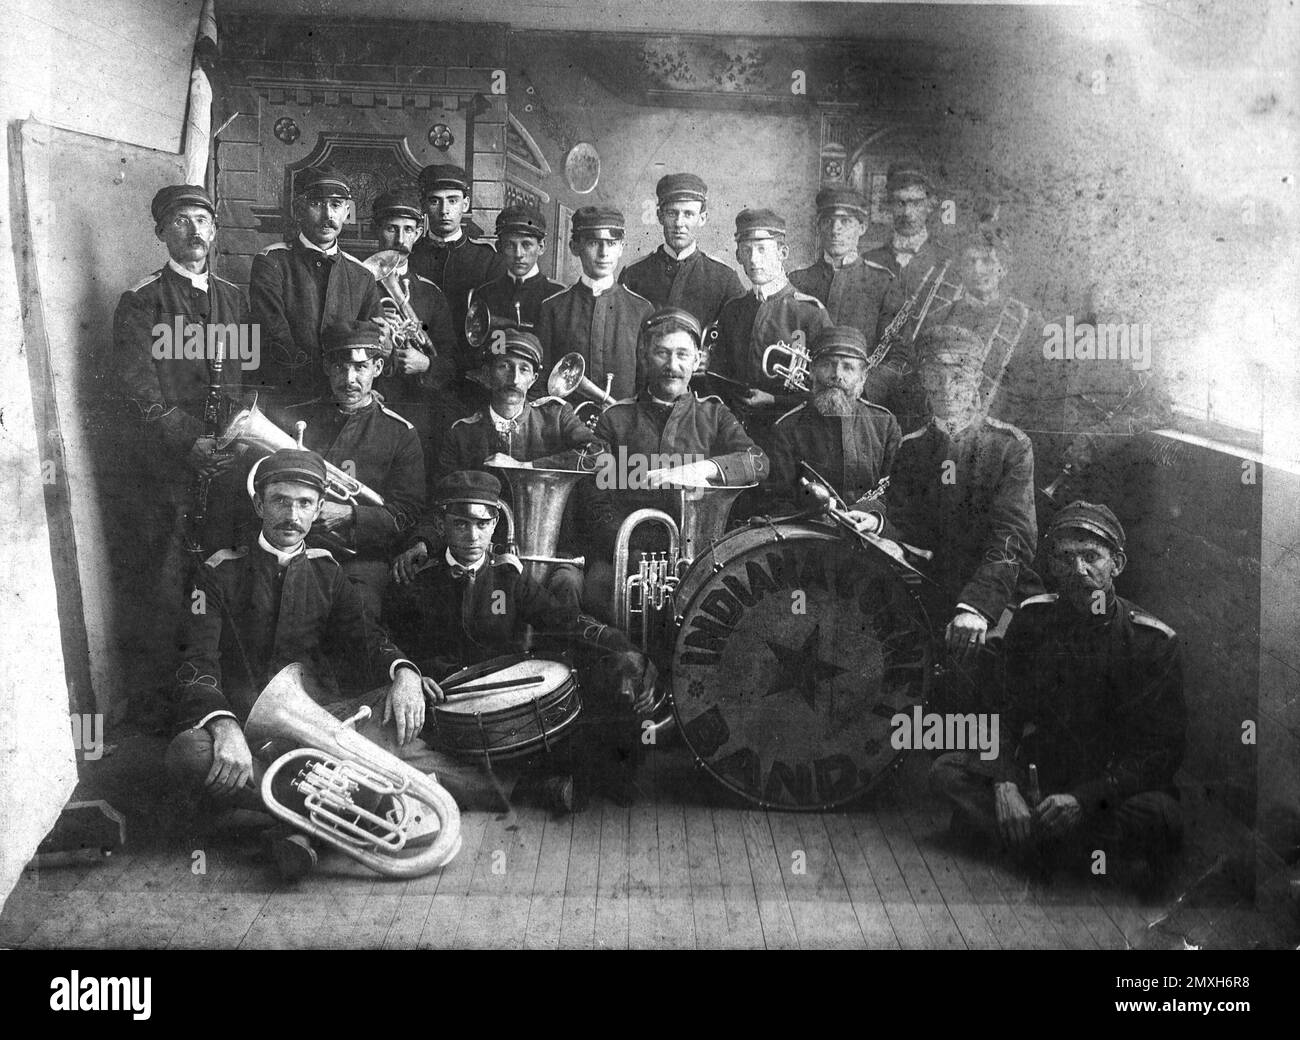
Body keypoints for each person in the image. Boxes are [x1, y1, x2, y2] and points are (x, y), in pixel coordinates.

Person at [164, 448, 453, 878]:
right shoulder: (217, 572)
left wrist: (405, 671)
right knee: (187, 752)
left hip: (318, 719)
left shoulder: (326, 570)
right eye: (280, 500)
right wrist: (223, 726)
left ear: (319, 509)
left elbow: (366, 639)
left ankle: (295, 827)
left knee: (392, 709)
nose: (291, 514)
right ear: (259, 504)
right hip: (244, 729)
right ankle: (335, 816)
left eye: (304, 504)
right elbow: (196, 661)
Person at [930, 501, 1186, 893]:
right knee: (946, 772)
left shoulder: (1152, 643)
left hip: (1104, 791)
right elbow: (1002, 712)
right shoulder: (1033, 621)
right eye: (1066, 558)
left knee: (1164, 816)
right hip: (1042, 778)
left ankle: (1029, 842)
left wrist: (1083, 800)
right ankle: (1059, 846)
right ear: (1051, 564)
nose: (1079, 570)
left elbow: (1158, 755)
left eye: (1091, 557)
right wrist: (1004, 783)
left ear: (1116, 563)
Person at [383, 471, 657, 808]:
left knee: (602, 703)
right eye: (461, 524)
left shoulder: (509, 578)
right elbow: (388, 640)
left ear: (496, 523)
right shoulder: (417, 581)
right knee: (393, 747)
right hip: (445, 712)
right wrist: (411, 673)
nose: (472, 536)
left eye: (482, 525)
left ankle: (503, 782)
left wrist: (624, 647)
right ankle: (526, 787)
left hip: (511, 714)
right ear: (442, 523)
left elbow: (564, 620)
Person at [393, 329, 599, 611]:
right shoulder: (462, 433)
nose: (514, 379)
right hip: (485, 555)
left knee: (568, 585)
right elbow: (440, 503)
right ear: (487, 374)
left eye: (523, 369)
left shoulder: (557, 416)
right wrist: (423, 542)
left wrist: (528, 466)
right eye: (504, 367)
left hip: (553, 555)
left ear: (534, 379)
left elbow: (600, 455)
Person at [584, 307, 770, 618]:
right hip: (626, 559)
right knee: (595, 593)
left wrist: (701, 469)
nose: (672, 366)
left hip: (699, 562)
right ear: (645, 355)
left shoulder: (715, 415)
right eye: (662, 353)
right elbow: (595, 501)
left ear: (697, 360)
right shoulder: (615, 419)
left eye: (683, 355)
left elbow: (758, 462)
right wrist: (631, 557)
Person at [884, 325, 1042, 665]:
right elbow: (902, 521)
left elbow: (1013, 538)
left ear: (977, 382)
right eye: (934, 376)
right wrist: (881, 527)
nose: (946, 388)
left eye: (958, 376)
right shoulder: (911, 448)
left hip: (998, 591)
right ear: (922, 382)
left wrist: (976, 607)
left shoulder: (1010, 447)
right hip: (931, 585)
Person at [279, 320, 426, 615]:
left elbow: (408, 513)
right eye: (339, 367)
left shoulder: (399, 432)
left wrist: (348, 514)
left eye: (360, 367)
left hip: (360, 561)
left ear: (378, 368)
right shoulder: (295, 419)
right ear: (326, 367)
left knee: (356, 614)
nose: (349, 379)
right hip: (294, 548)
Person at [249, 166, 382, 403]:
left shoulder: (362, 274)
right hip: (288, 393)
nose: (327, 215)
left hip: (343, 396)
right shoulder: (272, 262)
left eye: (336, 205)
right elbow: (274, 332)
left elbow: (371, 341)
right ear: (299, 210)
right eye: (317, 204)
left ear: (346, 211)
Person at [712, 208, 830, 446]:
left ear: (782, 252)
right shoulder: (733, 310)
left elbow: (826, 389)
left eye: (763, 249)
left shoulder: (810, 313)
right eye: (747, 250)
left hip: (790, 436)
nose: (754, 259)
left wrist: (775, 401)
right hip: (734, 433)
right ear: (738, 256)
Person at [766, 325, 900, 525]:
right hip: (810, 541)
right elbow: (777, 503)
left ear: (863, 377)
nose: (837, 375)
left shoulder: (885, 425)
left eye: (848, 367)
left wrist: (874, 519)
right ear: (812, 371)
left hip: (871, 539)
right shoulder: (787, 429)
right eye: (828, 364)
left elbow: (897, 495)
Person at [407, 164, 507, 409]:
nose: (444, 210)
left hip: (471, 383)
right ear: (423, 206)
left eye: (452, 200)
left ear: (466, 204)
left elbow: (501, 327)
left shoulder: (488, 261)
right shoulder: (409, 255)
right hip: (413, 381)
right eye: (435, 201)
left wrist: (493, 367)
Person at [861, 163, 954, 424]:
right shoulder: (869, 260)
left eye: (915, 202)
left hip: (929, 386)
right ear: (888, 206)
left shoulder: (948, 262)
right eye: (899, 203)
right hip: (875, 386)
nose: (907, 212)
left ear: (930, 205)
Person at [535, 206, 654, 401]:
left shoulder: (641, 310)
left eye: (612, 243)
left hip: (623, 427)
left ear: (621, 247)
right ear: (575, 247)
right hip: (565, 426)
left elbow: (647, 383)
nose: (604, 253)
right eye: (593, 243)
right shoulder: (553, 308)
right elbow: (541, 380)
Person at [367, 188, 459, 441]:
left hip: (417, 411)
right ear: (376, 229)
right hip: (368, 404)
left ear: (418, 234)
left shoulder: (431, 293)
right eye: (391, 228)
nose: (400, 239)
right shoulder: (354, 283)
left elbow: (451, 361)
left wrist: (426, 363)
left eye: (408, 229)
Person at [619, 172, 744, 328]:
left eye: (688, 214)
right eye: (672, 213)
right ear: (660, 216)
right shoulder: (633, 274)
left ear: (702, 218)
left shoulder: (724, 279)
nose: (679, 223)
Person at [789, 186, 892, 343]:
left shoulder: (883, 282)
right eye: (828, 221)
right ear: (818, 228)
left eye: (845, 221)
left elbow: (897, 353)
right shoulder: (797, 281)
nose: (835, 230)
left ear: (862, 228)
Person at [466, 204, 564, 346]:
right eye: (510, 245)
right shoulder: (485, 294)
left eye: (526, 245)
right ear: (499, 248)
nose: (518, 254)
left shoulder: (558, 295)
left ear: (541, 247)